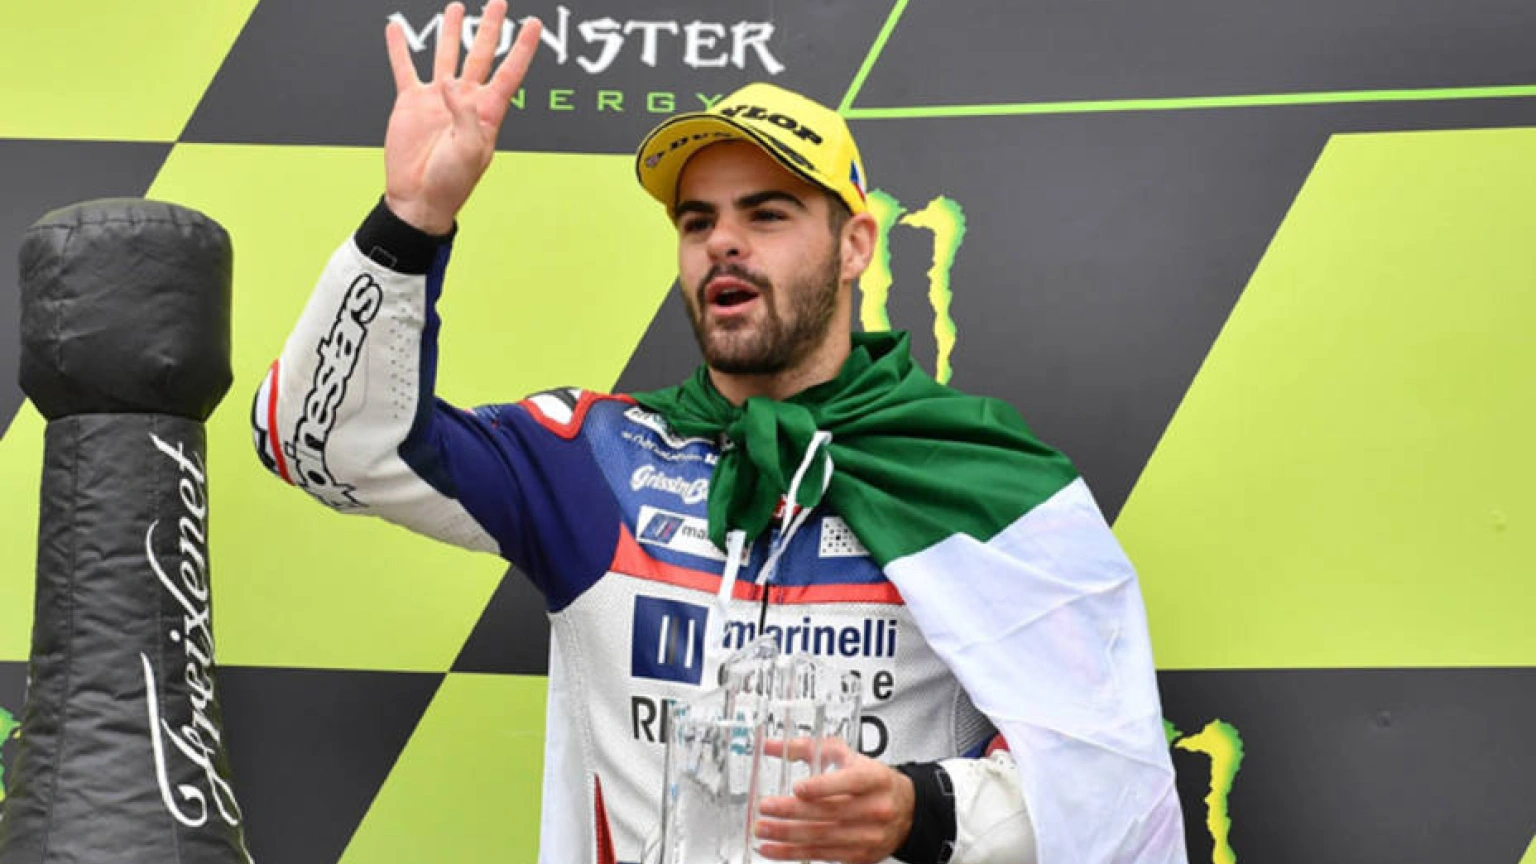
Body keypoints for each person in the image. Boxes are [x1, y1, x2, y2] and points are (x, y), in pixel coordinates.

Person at [251, 2, 1188, 863]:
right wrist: (412, 222)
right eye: (697, 221)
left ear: (855, 244)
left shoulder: (983, 478)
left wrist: (924, 809)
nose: (723, 243)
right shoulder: (591, 457)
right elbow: (323, 444)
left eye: (767, 214)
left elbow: (1110, 782)